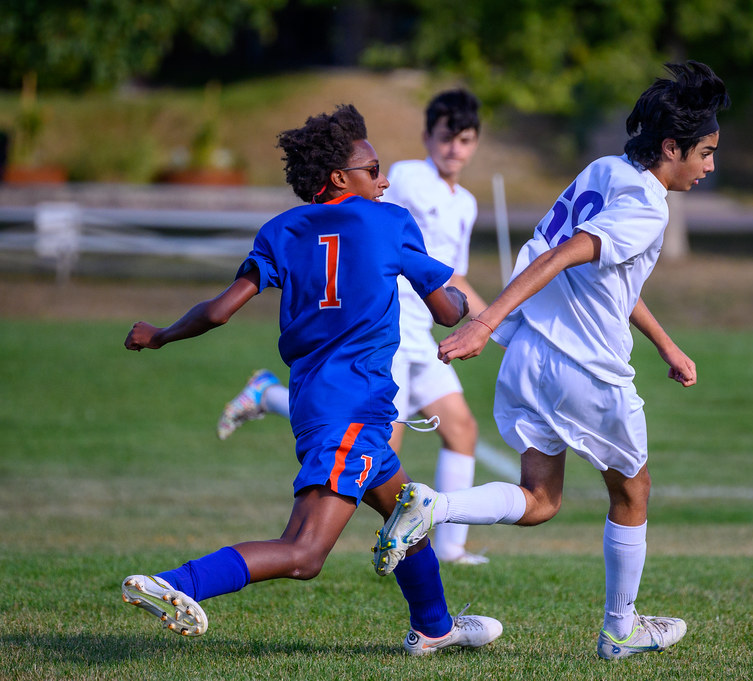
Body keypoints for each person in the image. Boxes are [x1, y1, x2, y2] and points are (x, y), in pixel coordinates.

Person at [372, 61, 730, 660]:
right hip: (585, 369)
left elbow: (608, 276)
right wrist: (483, 322)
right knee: (633, 492)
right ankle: (620, 630)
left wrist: (666, 343)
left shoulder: (604, 171)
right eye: (706, 152)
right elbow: (566, 254)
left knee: (540, 499)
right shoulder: (648, 204)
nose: (710, 165)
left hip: (531, 358)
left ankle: (433, 505)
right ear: (672, 146)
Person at [119, 104, 502, 656]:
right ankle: (177, 584)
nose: (385, 178)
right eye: (374, 169)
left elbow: (220, 311)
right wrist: (464, 299)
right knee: (304, 553)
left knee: (407, 510)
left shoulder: (281, 231)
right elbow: (446, 312)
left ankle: (435, 629)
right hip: (355, 408)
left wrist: (160, 335)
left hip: (317, 404)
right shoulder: (391, 221)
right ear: (341, 178)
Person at [216, 89, 490, 566]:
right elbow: (361, 229)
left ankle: (446, 563)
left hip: (421, 330)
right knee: (374, 450)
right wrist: (477, 315)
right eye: (447, 137)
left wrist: (487, 320)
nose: (455, 149)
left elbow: (446, 270)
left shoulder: (464, 202)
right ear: (428, 137)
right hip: (383, 327)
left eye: (465, 140)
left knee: (460, 430)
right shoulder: (405, 181)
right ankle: (406, 543)